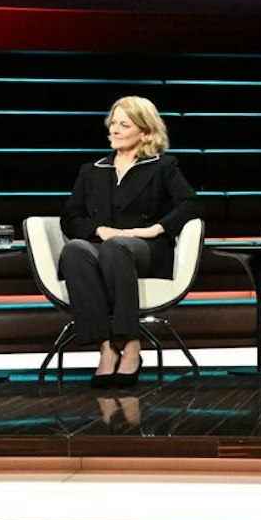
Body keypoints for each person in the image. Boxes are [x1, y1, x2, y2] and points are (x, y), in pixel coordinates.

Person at [58, 96, 202, 388]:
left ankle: (133, 345)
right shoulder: (93, 169)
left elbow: (190, 204)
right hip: (103, 245)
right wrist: (99, 231)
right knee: (73, 250)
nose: (115, 129)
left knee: (118, 246)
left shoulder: (162, 166)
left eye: (125, 124)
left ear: (145, 132)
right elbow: (69, 217)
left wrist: (153, 230)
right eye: (113, 122)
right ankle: (106, 349)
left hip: (146, 250)